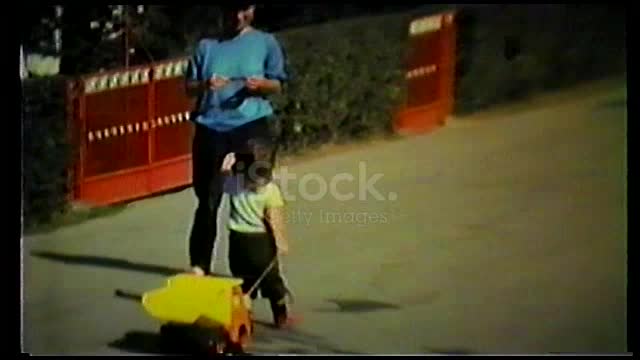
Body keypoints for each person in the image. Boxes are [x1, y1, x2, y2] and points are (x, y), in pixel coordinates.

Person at [184, 3, 288, 276]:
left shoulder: (266, 42)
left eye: (244, 9)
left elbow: (277, 83)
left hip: (251, 127)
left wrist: (261, 85)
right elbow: (188, 87)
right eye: (232, 10)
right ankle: (199, 268)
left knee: (252, 198)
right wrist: (205, 85)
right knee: (208, 200)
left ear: (252, 9)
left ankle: (264, 274)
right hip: (211, 129)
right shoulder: (206, 47)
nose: (238, 16)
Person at [221, 137, 293, 328]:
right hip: (260, 242)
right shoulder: (269, 191)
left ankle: (245, 318)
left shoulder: (234, 184)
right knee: (272, 282)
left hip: (237, 241)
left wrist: (228, 162)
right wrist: (281, 242)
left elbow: (224, 173)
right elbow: (273, 219)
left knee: (244, 282)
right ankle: (281, 316)